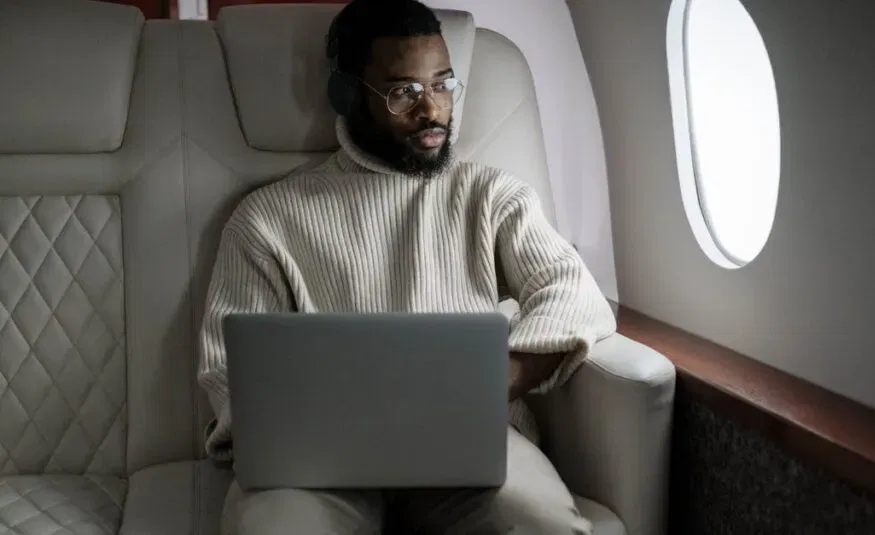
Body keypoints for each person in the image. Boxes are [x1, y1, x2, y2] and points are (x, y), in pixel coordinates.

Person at [197, 0, 616, 533]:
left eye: (442, 84)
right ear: (348, 96)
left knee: (544, 527)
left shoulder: (491, 196)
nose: (432, 111)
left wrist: (494, 380)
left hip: (469, 440)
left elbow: (574, 292)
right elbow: (228, 371)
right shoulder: (267, 219)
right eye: (404, 92)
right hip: (318, 463)